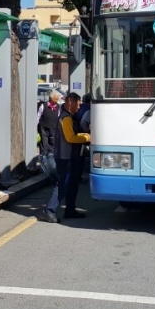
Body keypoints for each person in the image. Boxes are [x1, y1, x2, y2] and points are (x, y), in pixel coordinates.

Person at [36, 92, 90, 223]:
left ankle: (70, 209)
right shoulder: (66, 118)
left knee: (72, 184)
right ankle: (49, 211)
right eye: (77, 105)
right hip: (65, 157)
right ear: (70, 102)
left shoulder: (70, 117)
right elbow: (70, 137)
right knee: (62, 184)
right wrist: (87, 137)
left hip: (70, 156)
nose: (79, 108)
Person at [36, 90, 62, 172]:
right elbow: (38, 116)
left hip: (54, 128)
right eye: (55, 100)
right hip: (44, 127)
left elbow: (59, 117)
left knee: (53, 144)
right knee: (44, 144)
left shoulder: (58, 107)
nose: (56, 102)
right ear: (51, 99)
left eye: (57, 100)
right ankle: (44, 163)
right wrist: (36, 127)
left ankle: (52, 163)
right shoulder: (43, 106)